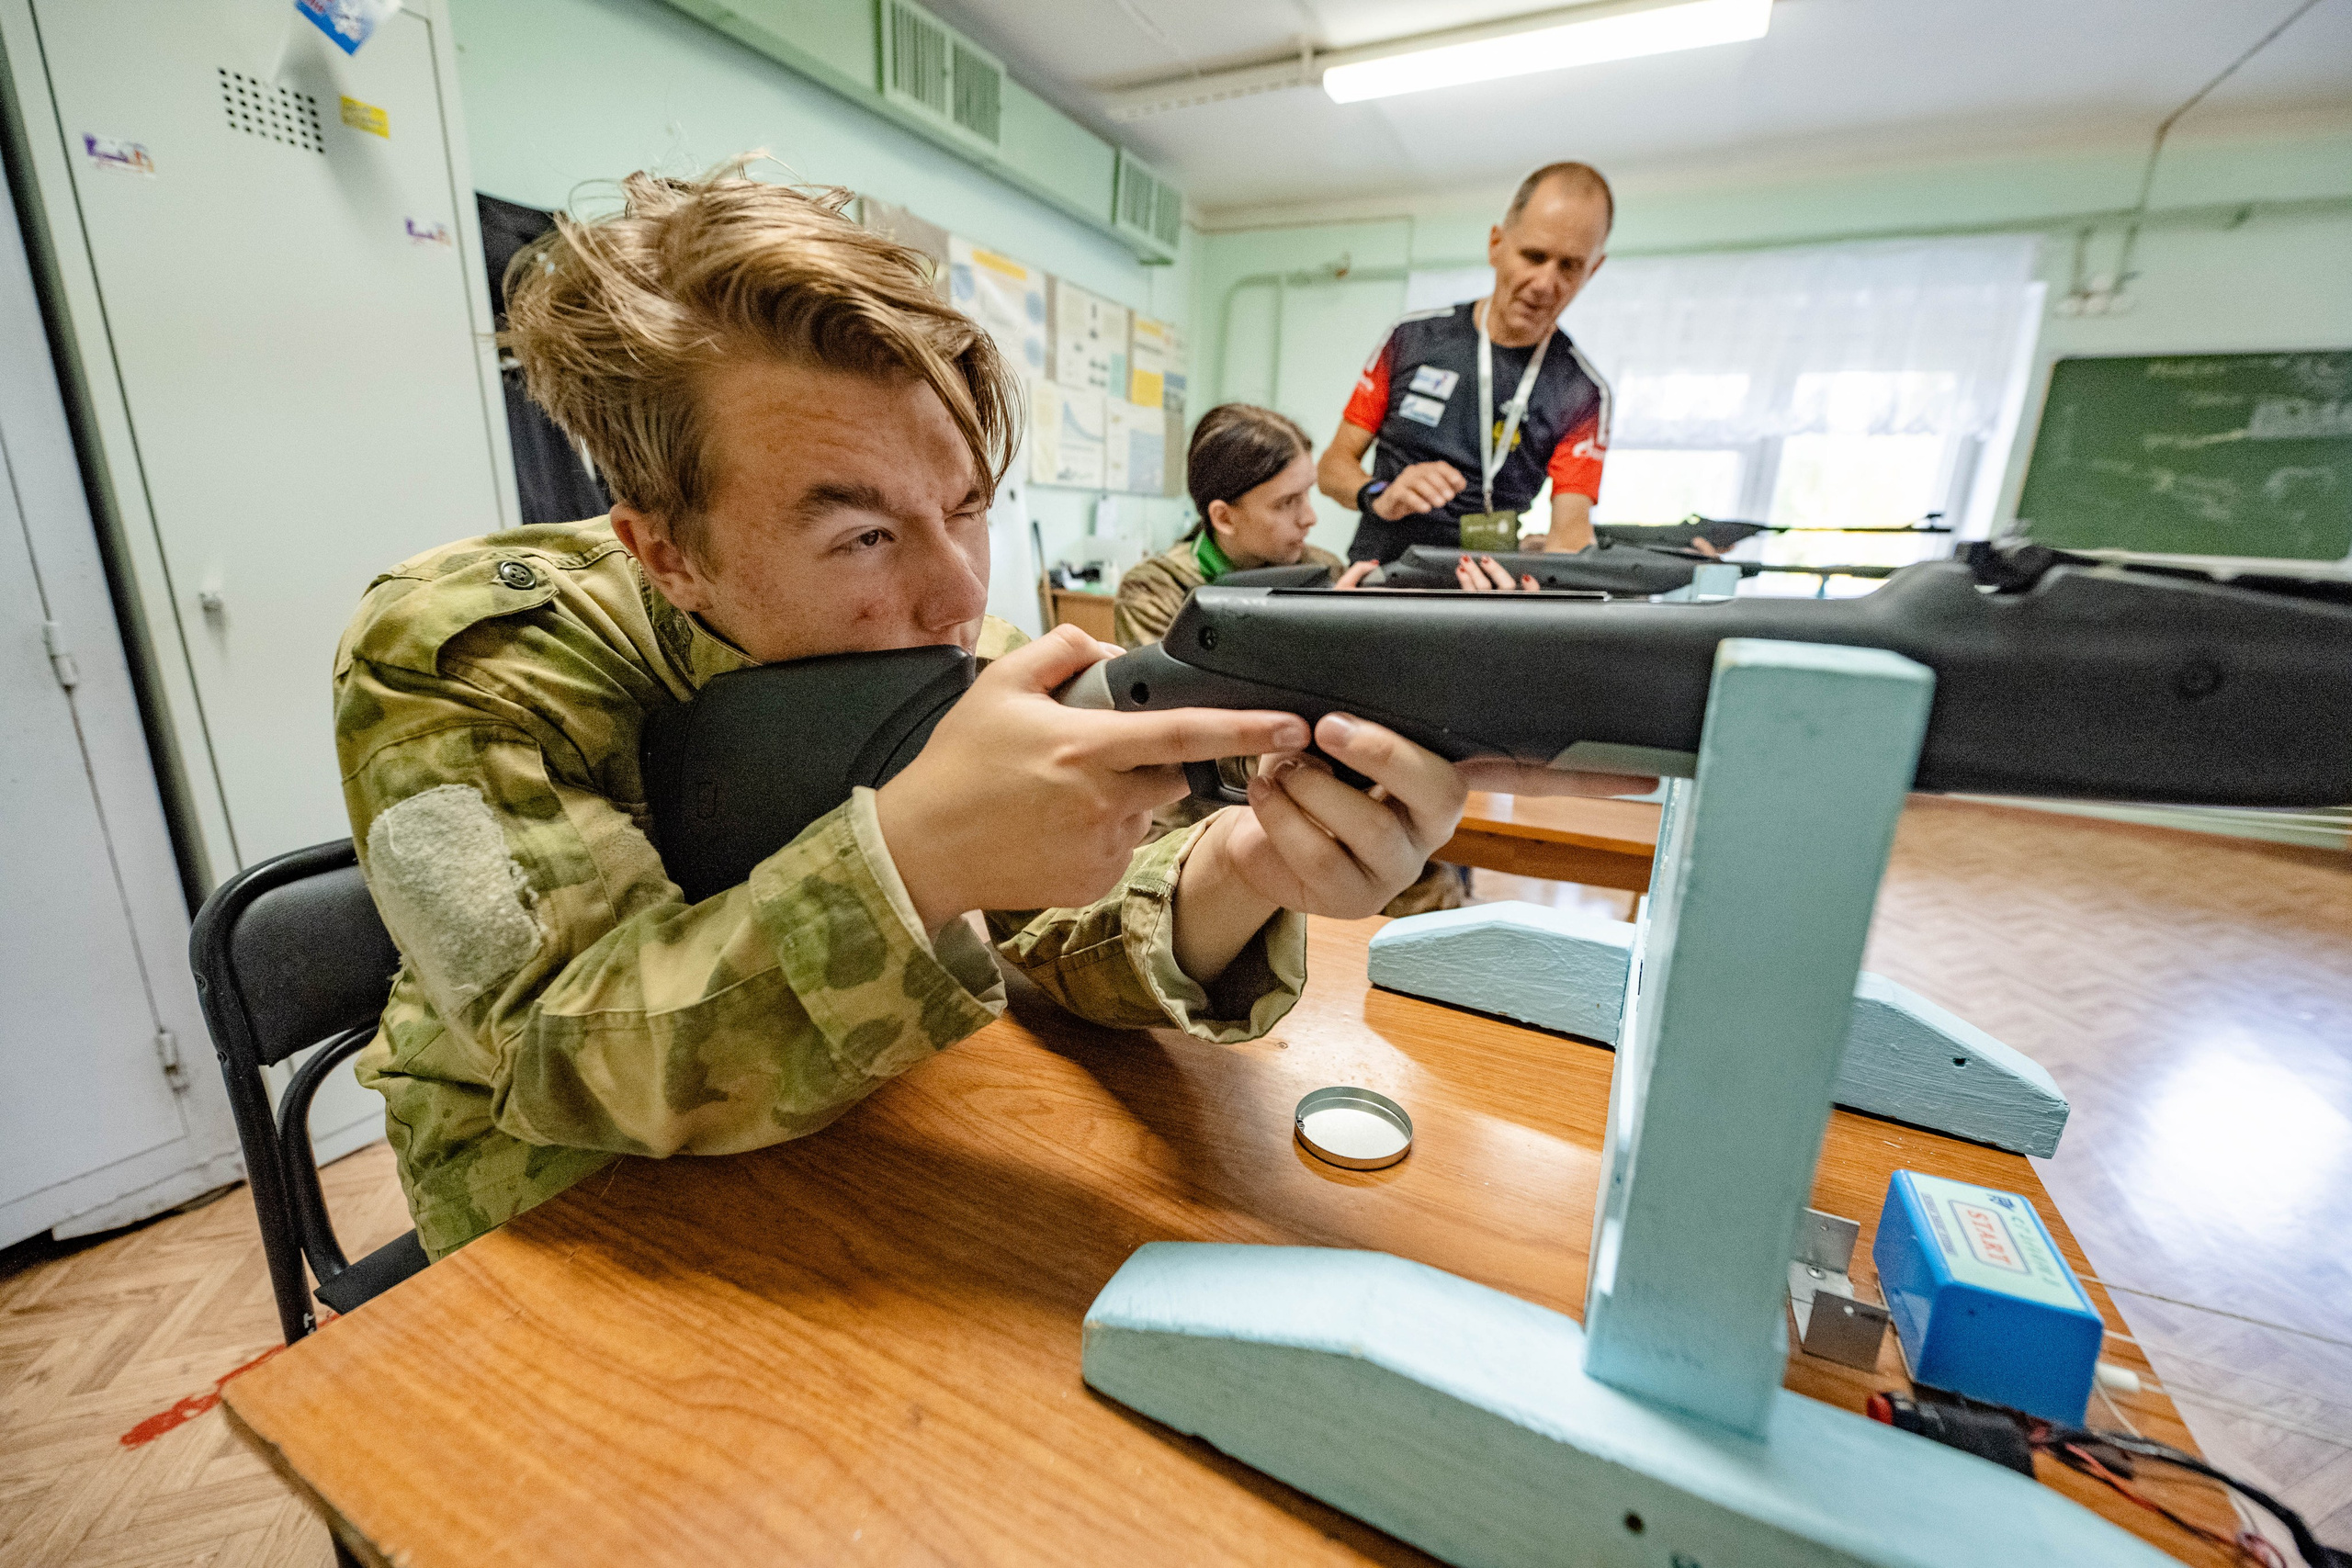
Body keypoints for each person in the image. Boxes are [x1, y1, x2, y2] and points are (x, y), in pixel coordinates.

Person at [331, 161, 1645, 1260]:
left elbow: (1067, 910)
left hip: (861, 1155)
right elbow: (556, 1055)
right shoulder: (460, 656)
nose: (961, 591)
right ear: (664, 549)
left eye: (966, 506)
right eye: (861, 536)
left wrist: (1249, 864)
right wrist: (917, 856)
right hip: (560, 1225)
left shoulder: (943, 629)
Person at [1317, 162, 1616, 565]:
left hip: (1487, 596)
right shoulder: (1411, 339)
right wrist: (1381, 496)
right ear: (1496, 244)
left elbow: (1570, 534)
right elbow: (1333, 468)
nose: (1546, 284)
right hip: (1377, 582)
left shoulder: (1582, 393)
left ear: (1593, 270)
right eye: (1534, 256)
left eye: (1570, 266)